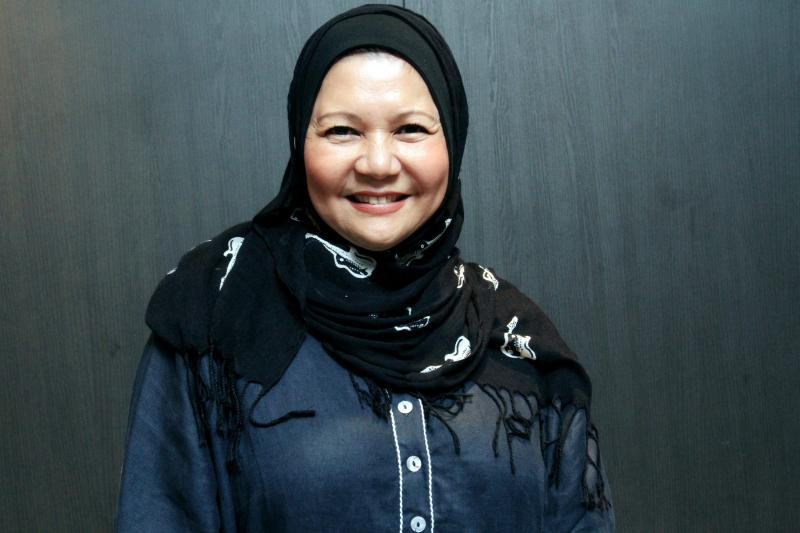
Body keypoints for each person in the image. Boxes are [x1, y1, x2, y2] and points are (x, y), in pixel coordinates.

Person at [117, 5, 614, 532]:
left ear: (453, 139)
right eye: (342, 131)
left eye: (411, 129)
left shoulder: (517, 341)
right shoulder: (216, 317)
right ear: (299, 142)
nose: (378, 164)